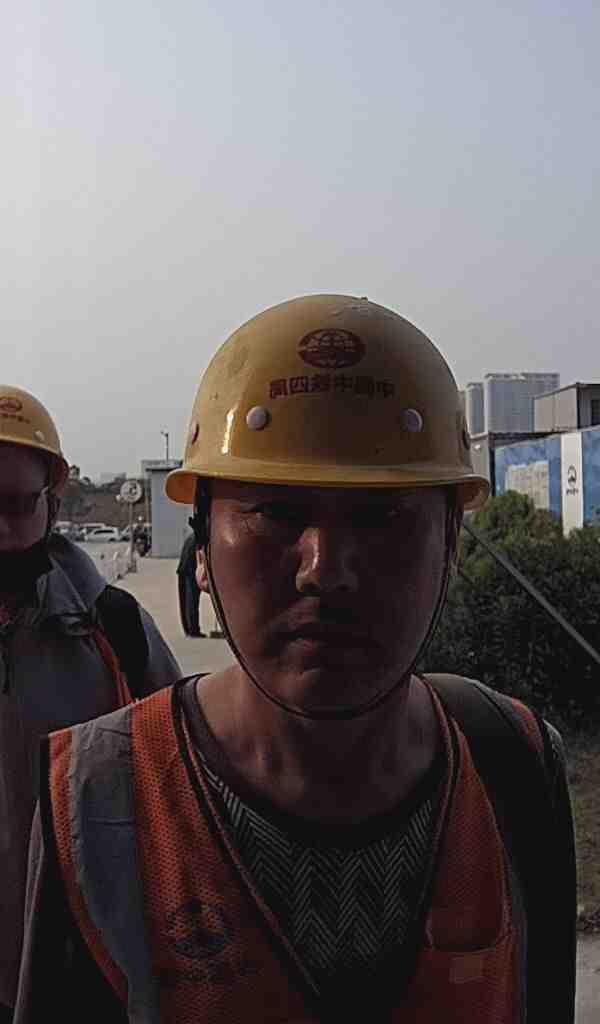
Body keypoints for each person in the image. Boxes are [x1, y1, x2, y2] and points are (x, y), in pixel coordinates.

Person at [15, 297, 576, 1023]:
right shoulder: (95, 795)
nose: (326, 569)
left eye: (382, 515)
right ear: (202, 547)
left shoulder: (512, 763)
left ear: (451, 544)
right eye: (276, 512)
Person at [0, 386, 181, 1022]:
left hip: (89, 961)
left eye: (16, 505)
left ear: (52, 504)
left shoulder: (114, 631)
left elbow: (182, 782)